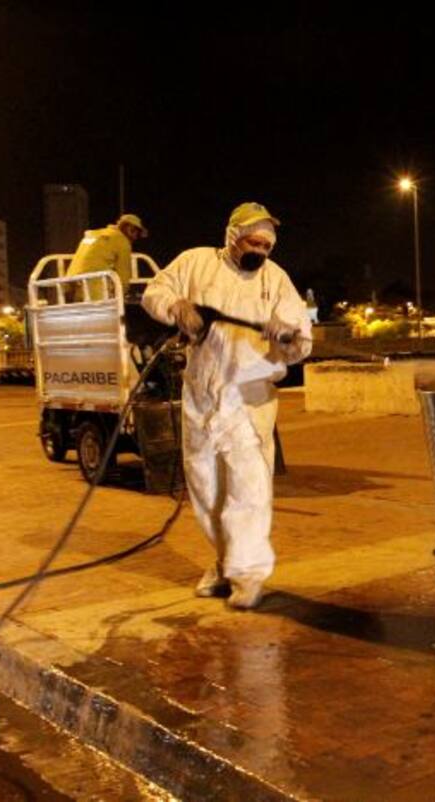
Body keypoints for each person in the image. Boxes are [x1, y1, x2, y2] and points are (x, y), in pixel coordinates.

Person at [142, 202, 311, 608]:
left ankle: (248, 575)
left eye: (268, 245)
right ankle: (223, 562)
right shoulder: (195, 262)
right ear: (232, 236)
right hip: (201, 394)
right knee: (206, 488)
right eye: (255, 242)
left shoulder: (276, 280)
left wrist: (286, 336)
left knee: (248, 489)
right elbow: (154, 292)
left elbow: (303, 343)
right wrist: (176, 307)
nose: (262, 251)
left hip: (249, 397)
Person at [65, 213, 148, 298]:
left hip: (71, 283)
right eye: (137, 234)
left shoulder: (95, 234)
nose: (135, 238)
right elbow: (123, 275)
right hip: (93, 286)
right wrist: (121, 294)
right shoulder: (122, 241)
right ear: (130, 229)